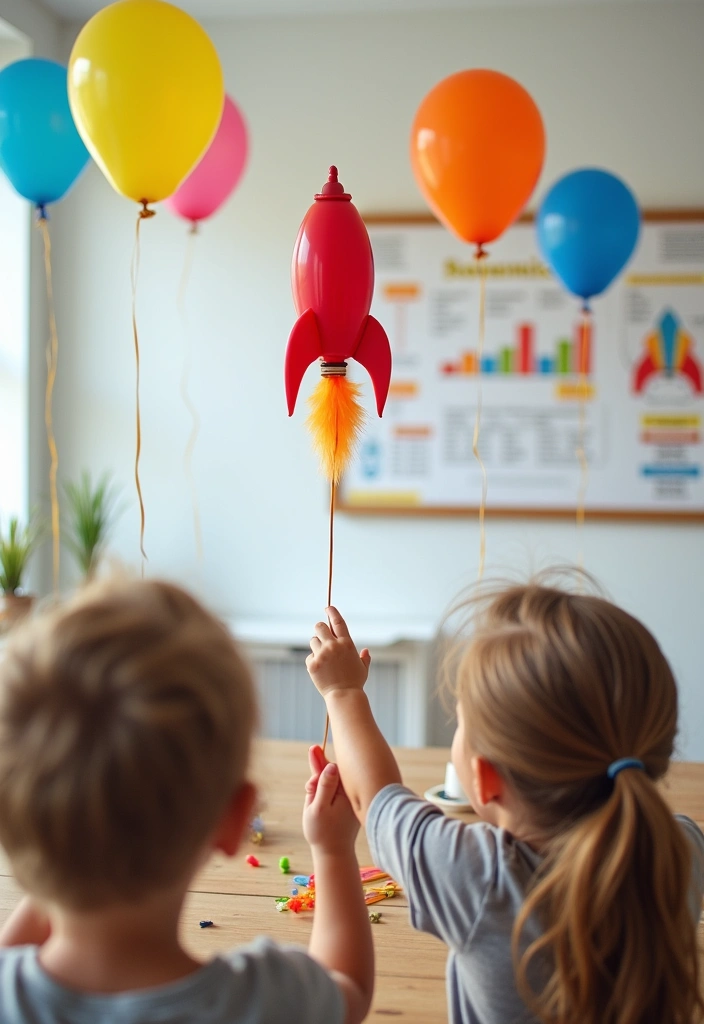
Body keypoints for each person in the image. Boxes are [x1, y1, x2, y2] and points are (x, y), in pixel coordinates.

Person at [306, 580, 704, 1024]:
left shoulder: (482, 879)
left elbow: (375, 798)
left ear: (485, 777)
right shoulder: (680, 851)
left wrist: (342, 693)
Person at [0, 577, 373, 1024]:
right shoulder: (267, 1001)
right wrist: (332, 852)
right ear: (236, 819)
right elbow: (345, 985)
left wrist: (64, 837)